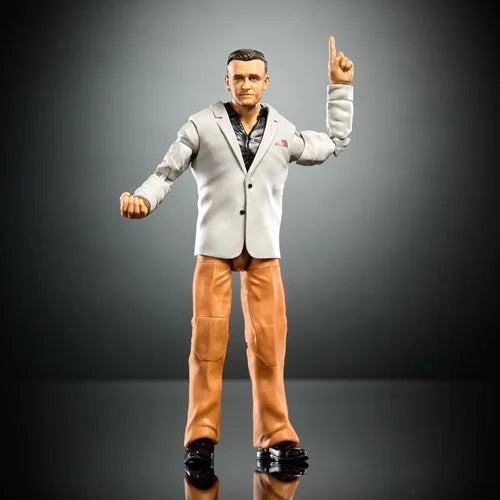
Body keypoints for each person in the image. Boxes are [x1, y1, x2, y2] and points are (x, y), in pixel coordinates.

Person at [120, 35, 354, 465]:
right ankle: (200, 437)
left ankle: (275, 434)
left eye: (253, 78)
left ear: (266, 82)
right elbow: (166, 172)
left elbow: (333, 143)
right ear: (226, 81)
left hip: (264, 250)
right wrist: (143, 199)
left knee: (269, 345)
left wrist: (339, 89)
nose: (245, 85)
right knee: (206, 344)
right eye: (238, 78)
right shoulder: (200, 125)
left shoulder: (283, 131)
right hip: (213, 247)